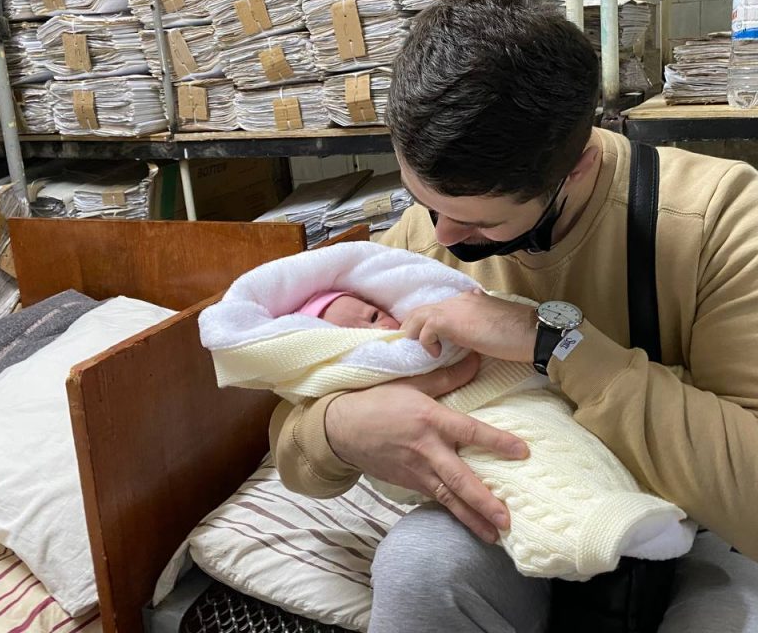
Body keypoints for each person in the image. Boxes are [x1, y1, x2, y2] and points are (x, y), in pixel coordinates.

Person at [269, 0, 758, 633]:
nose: (442, 237)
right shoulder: (421, 242)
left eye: (479, 222)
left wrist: (555, 344)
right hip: (523, 506)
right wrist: (338, 428)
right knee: (419, 566)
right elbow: (294, 433)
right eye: (422, 202)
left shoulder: (718, 216)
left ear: (578, 171)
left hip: (700, 527)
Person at [201, 241, 696, 582]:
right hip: (468, 449)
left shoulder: (698, 221)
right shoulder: (411, 244)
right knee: (476, 510)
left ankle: (625, 516)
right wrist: (338, 424)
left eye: (373, 316)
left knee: (561, 445)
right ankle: (594, 529)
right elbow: (292, 447)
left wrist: (546, 339)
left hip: (579, 415)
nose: (446, 232)